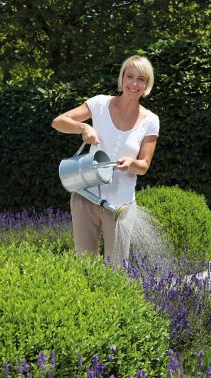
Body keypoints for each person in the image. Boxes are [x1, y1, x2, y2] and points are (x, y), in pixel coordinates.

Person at [51, 55, 159, 266]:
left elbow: (144, 166)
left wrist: (132, 163)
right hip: (86, 197)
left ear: (147, 84)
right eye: (129, 76)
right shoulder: (99, 104)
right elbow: (58, 122)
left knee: (117, 271)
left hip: (120, 206)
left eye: (141, 79)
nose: (134, 84)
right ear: (122, 78)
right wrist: (83, 127)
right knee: (85, 266)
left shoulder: (151, 121)